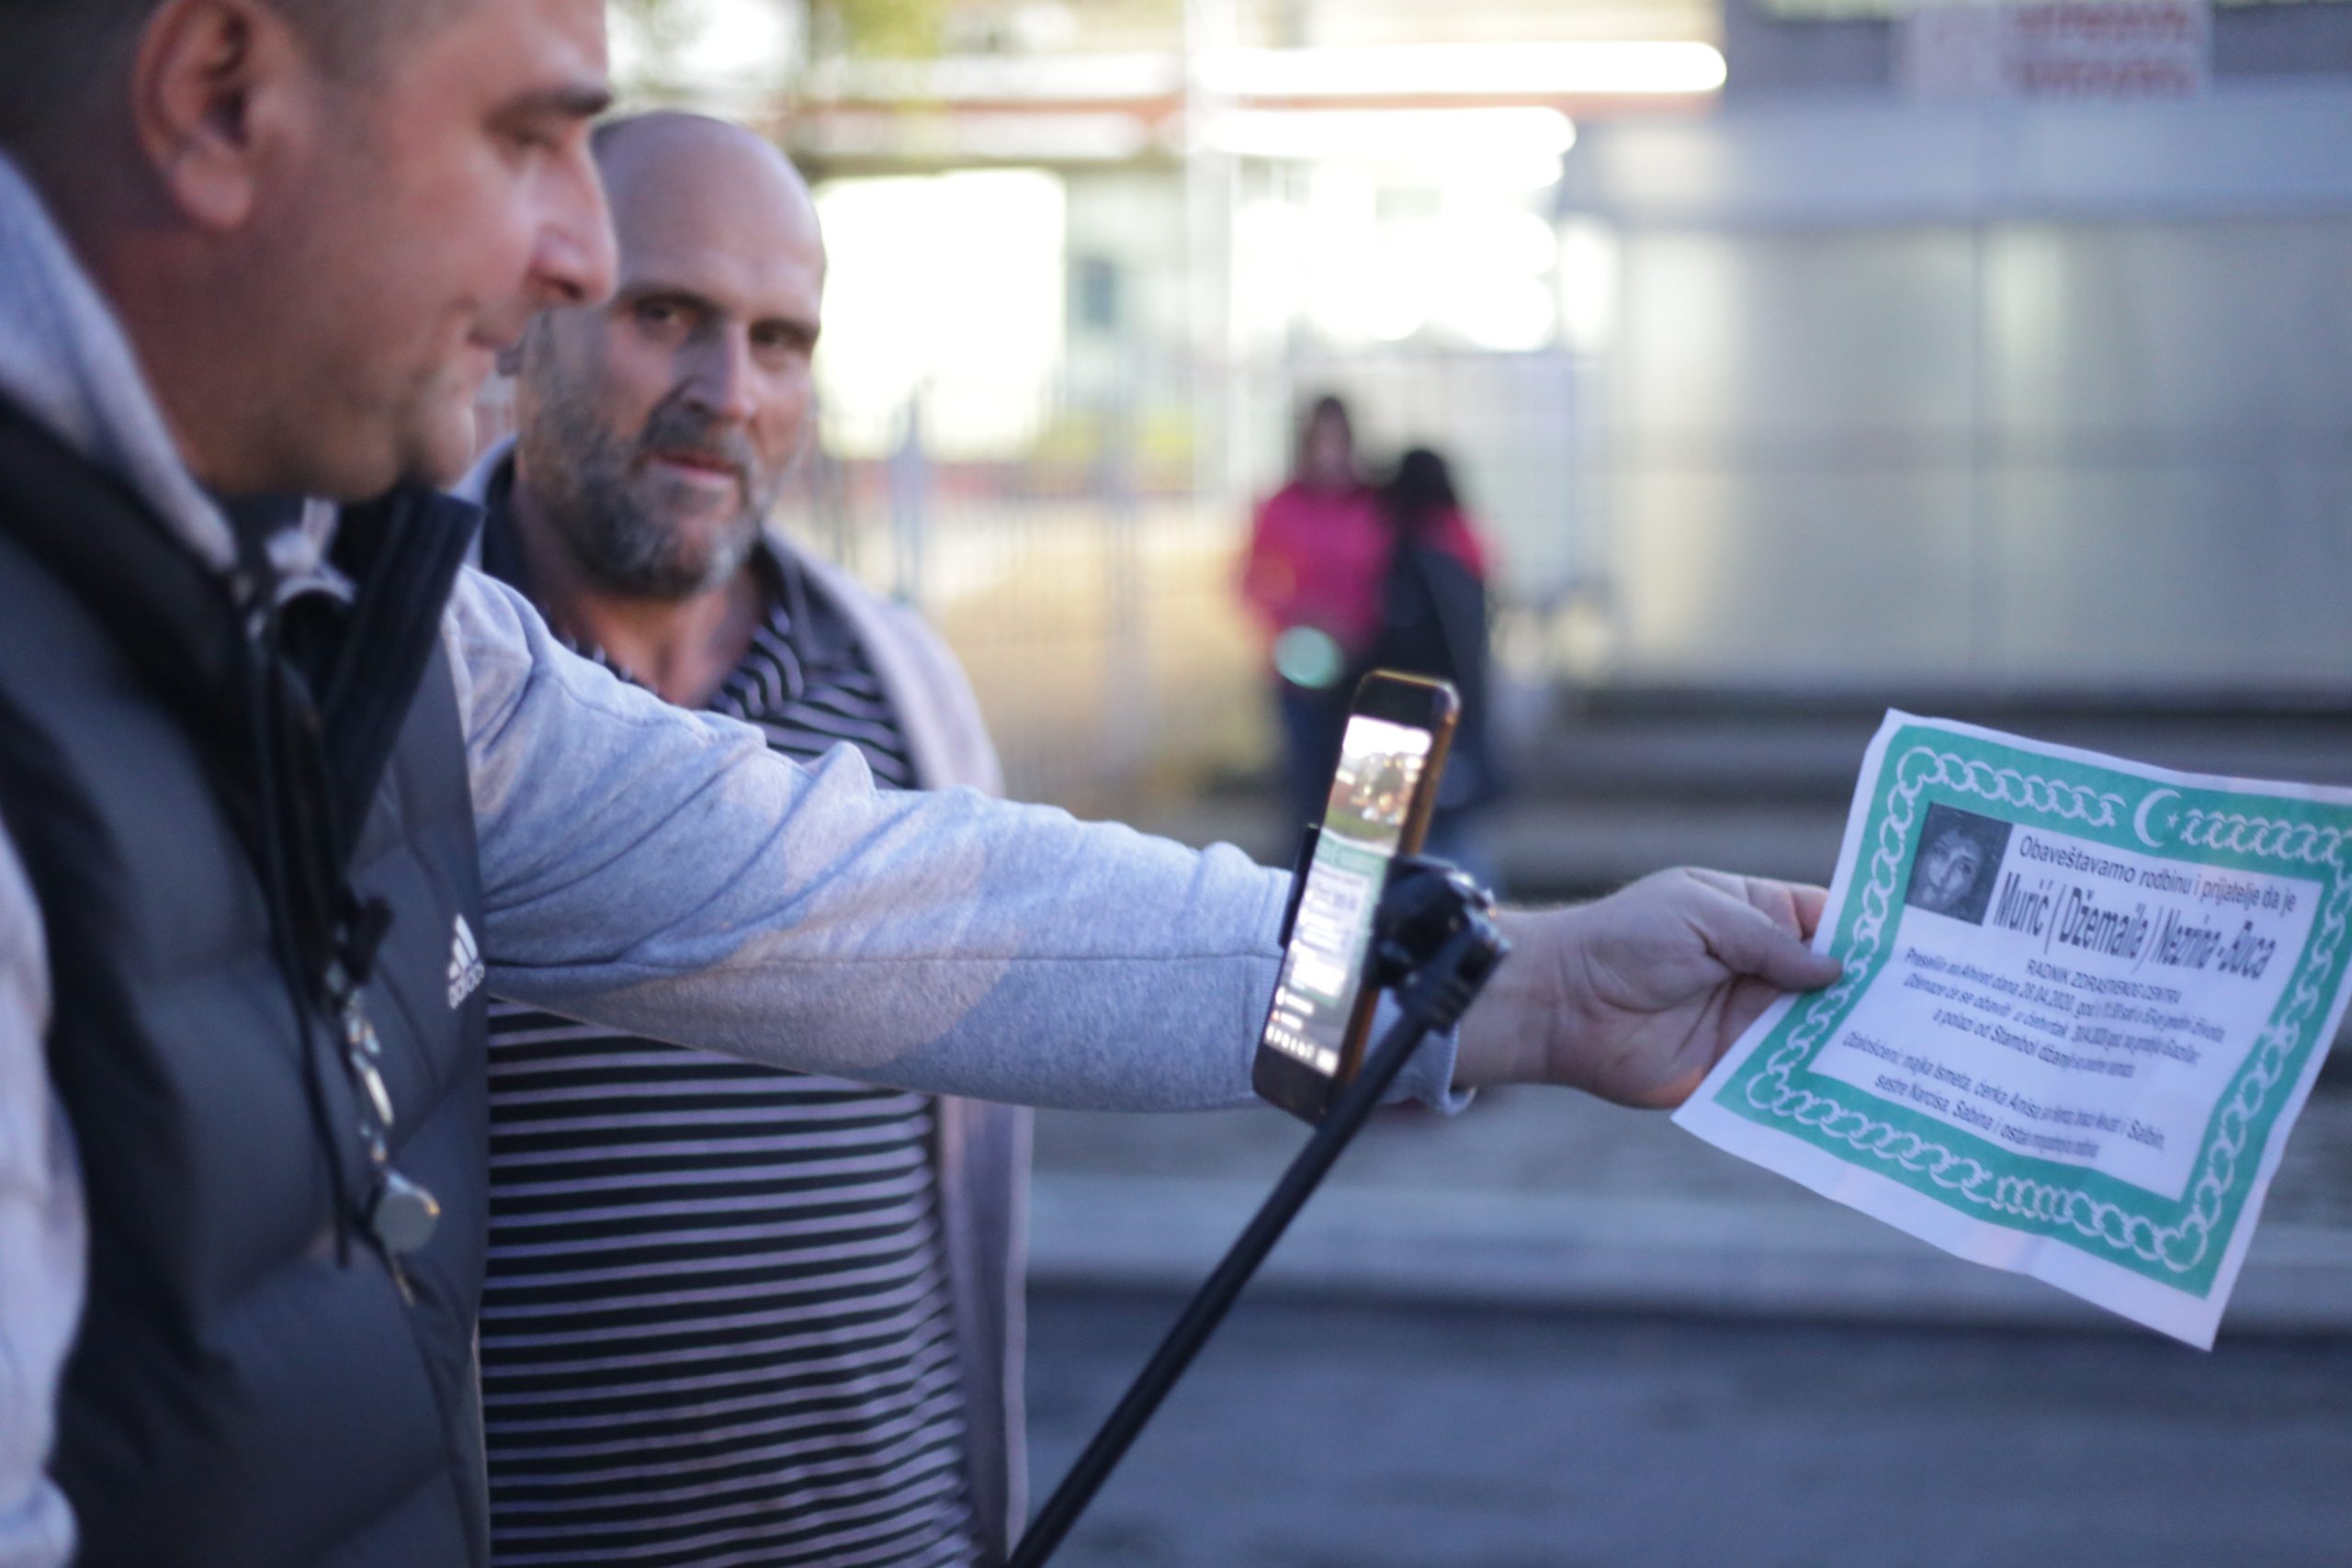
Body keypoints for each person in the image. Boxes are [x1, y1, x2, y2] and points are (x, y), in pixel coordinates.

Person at [0, 5, 1840, 1567]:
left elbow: (877, 898)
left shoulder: (375, 609)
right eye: (525, 139)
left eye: (780, 338)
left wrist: (1519, 985)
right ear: (219, 99)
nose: (564, 245)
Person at [458, 112, 1023, 1567]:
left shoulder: (903, 687)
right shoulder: (399, 676)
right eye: (665, 315)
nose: (730, 391)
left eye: (782, 341)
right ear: (530, 317)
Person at [1239, 394, 1383, 837]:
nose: (1327, 452)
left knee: (1365, 802)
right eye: (1318, 440)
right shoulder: (1281, 507)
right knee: (1307, 792)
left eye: (1335, 440)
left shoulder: (1375, 506)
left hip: (1367, 665)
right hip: (1304, 668)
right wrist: (1296, 617)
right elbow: (1253, 581)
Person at [1362, 446, 1504, 886]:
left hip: (1407, 718)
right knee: (1451, 837)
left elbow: (1404, 646)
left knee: (1416, 845)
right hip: (1457, 716)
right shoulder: (1462, 543)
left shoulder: (1416, 556)